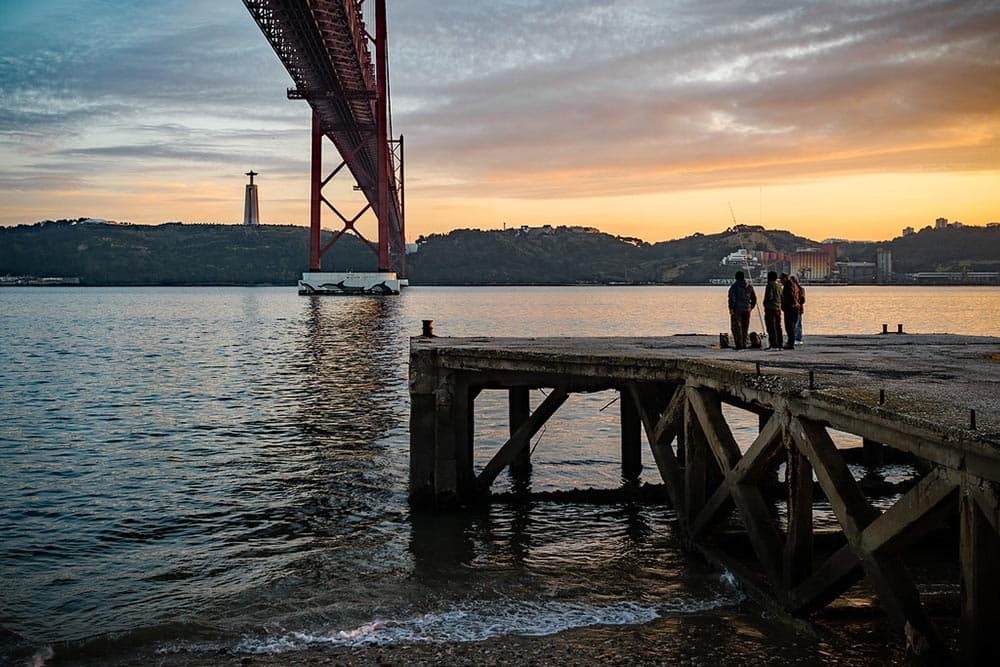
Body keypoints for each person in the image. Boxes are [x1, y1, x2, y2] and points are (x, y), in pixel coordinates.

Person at [727, 271, 757, 349]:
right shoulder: (749, 286)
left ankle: (739, 345)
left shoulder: (734, 286)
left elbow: (732, 298)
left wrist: (731, 308)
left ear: (736, 277)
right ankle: (744, 344)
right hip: (747, 310)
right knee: (745, 327)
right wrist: (751, 307)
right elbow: (754, 298)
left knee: (736, 328)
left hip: (737, 310)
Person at [779, 272, 800, 350]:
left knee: (789, 326)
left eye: (781, 279)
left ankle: (790, 343)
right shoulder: (794, 285)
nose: (780, 281)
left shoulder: (788, 285)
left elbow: (790, 296)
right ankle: (791, 342)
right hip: (795, 308)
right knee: (792, 326)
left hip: (790, 308)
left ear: (785, 278)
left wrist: (785, 303)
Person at [763, 270, 782, 350]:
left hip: (770, 308)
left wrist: (765, 303)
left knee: (771, 327)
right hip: (778, 308)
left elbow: (769, 297)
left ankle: (773, 345)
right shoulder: (779, 286)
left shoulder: (769, 285)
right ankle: (779, 344)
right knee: (778, 327)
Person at [791, 275, 805, 344]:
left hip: (797, 309)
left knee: (797, 324)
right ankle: (795, 338)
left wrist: (797, 303)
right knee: (795, 324)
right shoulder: (800, 289)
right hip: (796, 308)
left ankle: (798, 338)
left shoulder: (799, 289)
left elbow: (803, 299)